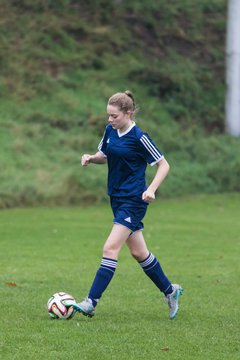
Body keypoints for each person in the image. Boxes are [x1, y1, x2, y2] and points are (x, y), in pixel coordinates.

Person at [73, 91, 183, 319]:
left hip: (134, 199)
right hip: (116, 197)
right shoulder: (110, 131)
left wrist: (151, 188)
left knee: (110, 248)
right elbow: (105, 154)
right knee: (138, 252)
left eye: (114, 116)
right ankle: (170, 291)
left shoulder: (140, 137)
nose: (109, 120)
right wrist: (91, 158)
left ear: (128, 113)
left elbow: (164, 165)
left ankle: (90, 302)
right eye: (108, 116)